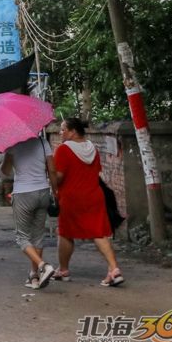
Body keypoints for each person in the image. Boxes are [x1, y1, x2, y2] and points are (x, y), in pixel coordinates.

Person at [53, 117, 124, 286]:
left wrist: (50, 175)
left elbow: (59, 177)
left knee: (65, 232)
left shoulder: (63, 149)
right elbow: (95, 172)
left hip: (71, 198)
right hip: (94, 196)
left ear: (73, 132)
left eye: (63, 129)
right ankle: (114, 269)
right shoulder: (92, 148)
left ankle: (63, 270)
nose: (60, 133)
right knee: (98, 233)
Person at [2, 135, 57, 289]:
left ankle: (43, 266)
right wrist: (55, 191)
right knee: (38, 236)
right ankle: (34, 276)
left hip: (23, 193)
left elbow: (5, 171)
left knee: (22, 237)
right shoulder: (43, 142)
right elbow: (52, 170)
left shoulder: (13, 144)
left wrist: (7, 154)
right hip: (43, 191)